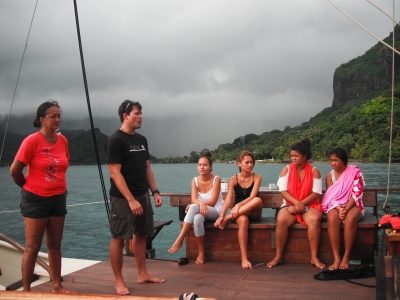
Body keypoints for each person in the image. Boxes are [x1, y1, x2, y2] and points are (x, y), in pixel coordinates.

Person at [10, 101, 72, 293]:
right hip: (35, 199)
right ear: (41, 119)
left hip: (58, 198)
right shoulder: (32, 141)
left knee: (54, 244)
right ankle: (27, 291)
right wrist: (28, 187)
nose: (57, 119)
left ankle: (57, 285)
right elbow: (15, 171)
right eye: (52, 116)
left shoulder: (62, 141)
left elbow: (63, 164)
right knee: (32, 247)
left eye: (58, 115)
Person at [105, 100, 164, 296]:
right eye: (137, 113)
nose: (141, 117)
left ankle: (142, 273)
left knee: (141, 234)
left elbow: (147, 168)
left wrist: (154, 191)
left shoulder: (141, 140)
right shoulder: (115, 140)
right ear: (125, 115)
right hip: (123, 199)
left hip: (142, 194)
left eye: (141, 113)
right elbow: (115, 173)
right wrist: (130, 199)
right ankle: (119, 280)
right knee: (119, 237)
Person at [267, 138, 325, 269]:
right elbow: (283, 191)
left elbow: (316, 193)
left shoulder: (314, 171)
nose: (293, 158)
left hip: (310, 205)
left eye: (296, 156)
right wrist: (295, 204)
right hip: (290, 204)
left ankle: (314, 257)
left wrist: (301, 205)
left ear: (304, 156)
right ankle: (278, 256)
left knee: (315, 219)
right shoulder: (286, 170)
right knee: (281, 219)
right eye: (292, 155)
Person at [168, 151, 224, 264]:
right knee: (197, 219)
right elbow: (193, 199)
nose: (202, 167)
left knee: (193, 207)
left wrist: (200, 204)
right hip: (202, 210)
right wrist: (200, 204)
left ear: (210, 167)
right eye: (199, 165)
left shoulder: (216, 179)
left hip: (215, 211)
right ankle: (201, 252)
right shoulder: (195, 181)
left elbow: (213, 202)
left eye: (205, 165)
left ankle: (180, 239)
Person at [214, 150, 263, 269]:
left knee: (258, 200)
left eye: (252, 162)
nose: (250, 165)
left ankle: (228, 218)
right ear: (239, 163)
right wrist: (221, 216)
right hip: (239, 214)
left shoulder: (257, 177)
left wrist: (238, 206)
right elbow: (228, 199)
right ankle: (244, 258)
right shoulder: (233, 179)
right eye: (247, 162)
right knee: (243, 220)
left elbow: (252, 196)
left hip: (254, 211)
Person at [321, 147, 365, 270]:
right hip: (336, 205)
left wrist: (346, 209)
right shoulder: (329, 176)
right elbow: (331, 196)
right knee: (332, 217)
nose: (333, 163)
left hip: (354, 204)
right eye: (331, 160)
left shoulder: (355, 172)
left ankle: (346, 256)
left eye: (336, 160)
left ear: (343, 160)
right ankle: (336, 258)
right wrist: (340, 209)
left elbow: (357, 193)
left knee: (350, 219)